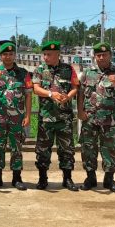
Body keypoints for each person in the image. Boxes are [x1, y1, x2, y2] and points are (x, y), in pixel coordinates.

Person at [77, 42, 115, 193]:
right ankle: (90, 178)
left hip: (109, 119)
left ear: (110, 56)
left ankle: (109, 179)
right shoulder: (87, 73)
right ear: (94, 56)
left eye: (104, 55)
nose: (101, 57)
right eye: (98, 55)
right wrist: (80, 112)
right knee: (88, 149)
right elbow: (80, 93)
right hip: (89, 118)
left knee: (110, 149)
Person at [32, 40, 80, 191]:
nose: (46, 57)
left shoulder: (68, 69)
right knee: (43, 149)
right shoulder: (40, 69)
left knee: (66, 149)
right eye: (44, 54)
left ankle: (67, 178)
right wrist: (51, 94)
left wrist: (68, 96)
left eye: (49, 55)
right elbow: (36, 89)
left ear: (58, 54)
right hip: (46, 117)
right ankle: (42, 178)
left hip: (64, 117)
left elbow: (75, 87)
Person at [0, 42, 32, 191]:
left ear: (14, 55)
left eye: (11, 54)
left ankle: (16, 178)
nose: (8, 57)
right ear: (1, 56)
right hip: (0, 117)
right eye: (5, 54)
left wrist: (28, 115)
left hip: (17, 117)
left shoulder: (23, 73)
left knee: (16, 148)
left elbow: (28, 95)